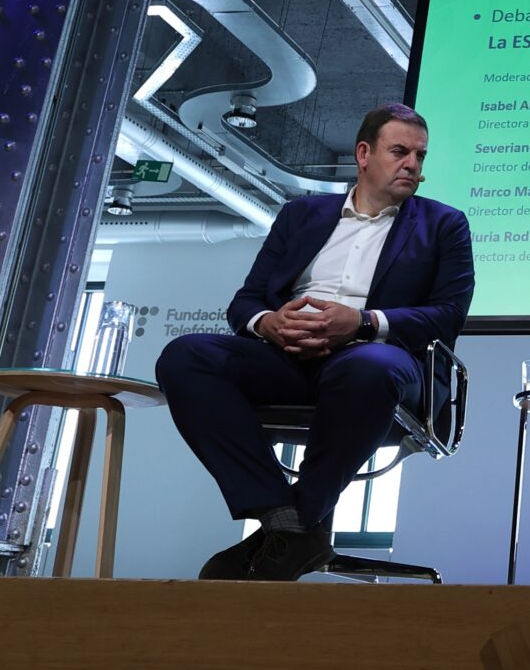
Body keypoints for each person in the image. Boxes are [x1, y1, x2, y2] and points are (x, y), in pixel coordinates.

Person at [157, 102, 473, 581]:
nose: (413, 165)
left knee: (367, 365)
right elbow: (245, 301)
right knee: (185, 357)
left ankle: (293, 526)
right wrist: (268, 323)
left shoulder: (444, 224)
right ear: (364, 154)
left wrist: (363, 323)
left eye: (420, 156)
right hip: (288, 360)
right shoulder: (301, 215)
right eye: (400, 152)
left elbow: (447, 315)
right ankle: (285, 522)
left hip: (383, 363)